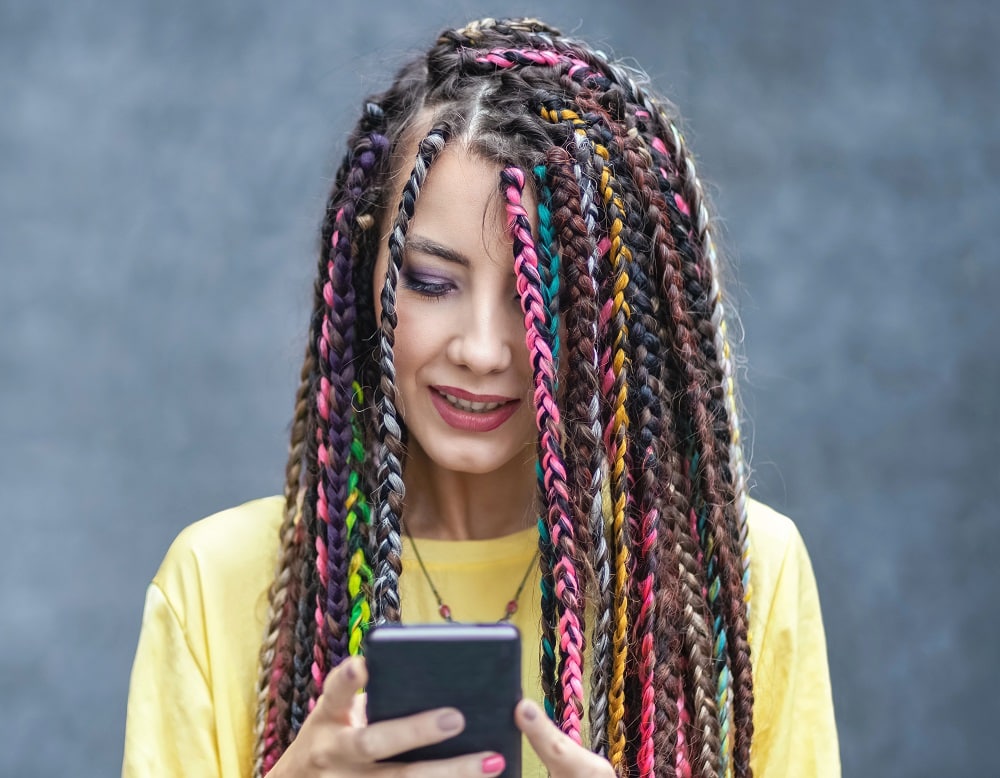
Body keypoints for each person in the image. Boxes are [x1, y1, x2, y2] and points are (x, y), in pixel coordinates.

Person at [122, 16, 839, 778]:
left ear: (618, 318)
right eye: (433, 282)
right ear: (371, 280)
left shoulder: (747, 573)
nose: (485, 350)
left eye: (544, 304)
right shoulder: (218, 580)